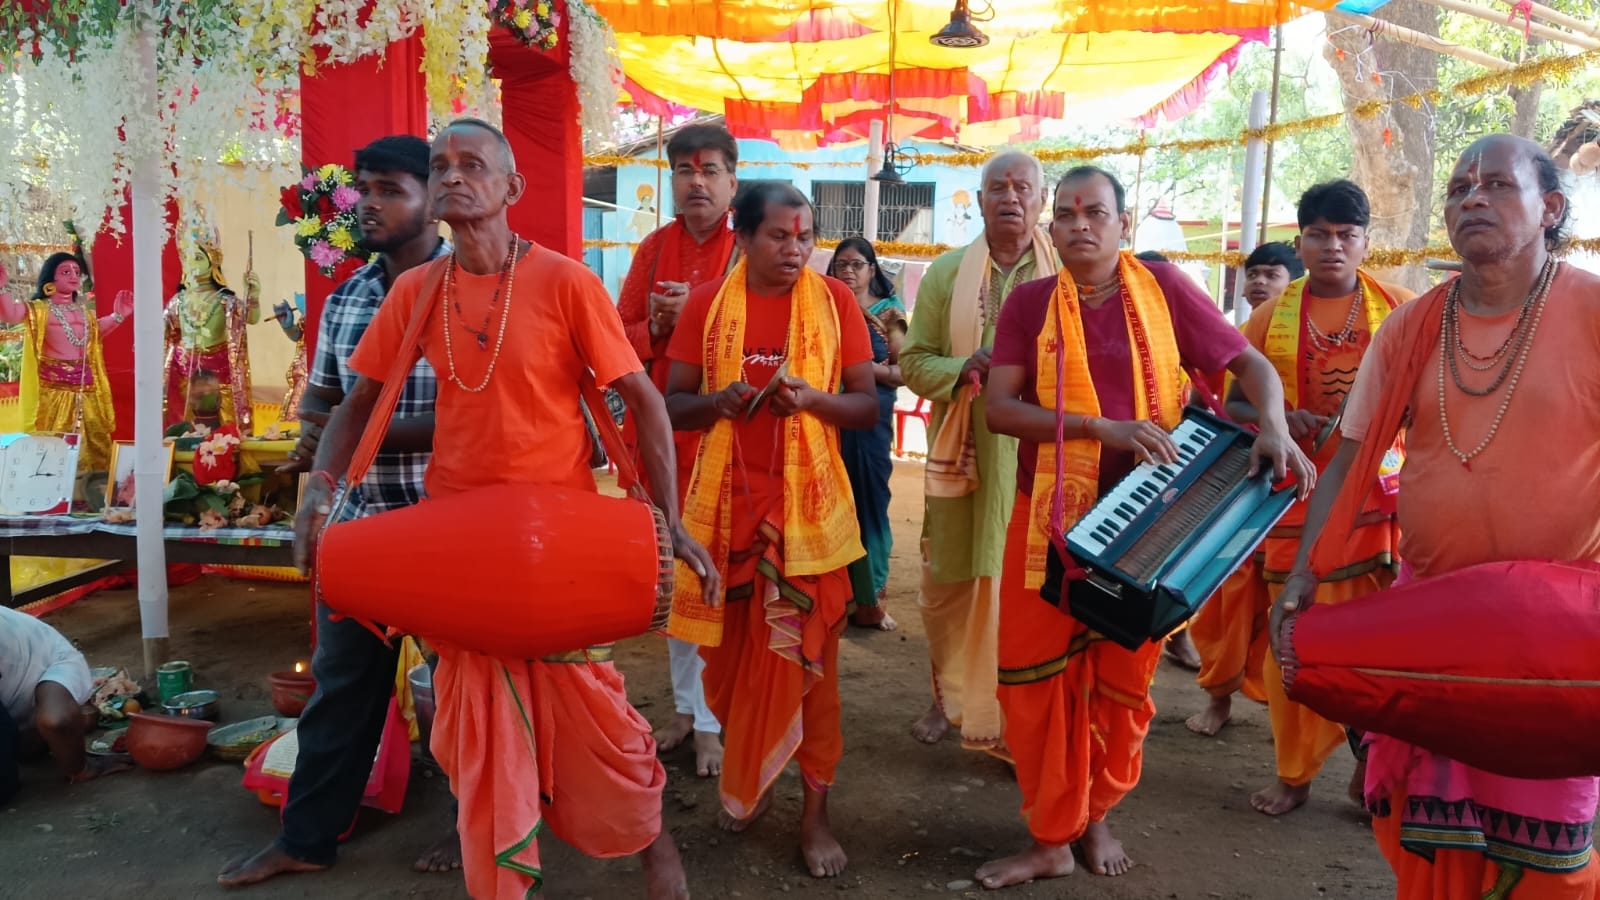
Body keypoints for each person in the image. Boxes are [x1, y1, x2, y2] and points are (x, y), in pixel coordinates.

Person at [285, 119, 715, 900]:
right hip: (459, 541)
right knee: (470, 719)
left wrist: (669, 520)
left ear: (512, 187)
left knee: (595, 713)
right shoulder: (417, 291)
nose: (452, 176)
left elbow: (644, 400)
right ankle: (499, 864)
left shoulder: (565, 281)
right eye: (440, 165)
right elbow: (359, 404)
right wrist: (320, 489)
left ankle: (653, 845)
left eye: (472, 164)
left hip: (558, 542)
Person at [1272, 134, 1600, 899]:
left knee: (1548, 860)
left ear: (1551, 209)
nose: (1472, 198)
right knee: (1422, 840)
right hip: (1431, 621)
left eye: (1497, 185)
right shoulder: (1411, 324)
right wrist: (1304, 572)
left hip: (1553, 637)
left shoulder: (1592, 312)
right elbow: (1350, 459)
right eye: (1457, 189)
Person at [978, 166, 1313, 888]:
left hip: (1152, 519)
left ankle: (1095, 816)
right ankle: (1050, 839)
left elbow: (1251, 365)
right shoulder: (1030, 303)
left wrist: (1275, 426)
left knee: (1120, 682)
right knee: (1034, 682)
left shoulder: (1162, 288)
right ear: (1051, 226)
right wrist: (1099, 428)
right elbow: (999, 409)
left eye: (1095, 212)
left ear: (1123, 224)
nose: (1080, 225)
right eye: (1066, 213)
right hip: (1050, 521)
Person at [217, 135, 461, 888]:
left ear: (432, 199)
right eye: (364, 189)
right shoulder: (350, 296)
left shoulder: (473, 288)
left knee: (466, 690)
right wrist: (315, 441)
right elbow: (324, 397)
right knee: (342, 688)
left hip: (450, 526)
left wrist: (361, 431)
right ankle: (307, 837)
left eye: (390, 189)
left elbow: (480, 418)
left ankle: (477, 824)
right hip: (361, 526)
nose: (369, 205)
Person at [664, 183, 876, 879]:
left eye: (805, 237)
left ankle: (815, 818)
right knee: (728, 670)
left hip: (807, 519)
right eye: (779, 236)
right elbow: (674, 404)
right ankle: (752, 775)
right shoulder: (706, 304)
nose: (795, 249)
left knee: (812, 673)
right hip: (727, 515)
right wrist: (719, 403)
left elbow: (865, 408)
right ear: (744, 237)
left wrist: (811, 400)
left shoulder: (836, 301)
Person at [1225, 180, 1413, 816]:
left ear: (1365, 243)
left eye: (1346, 235)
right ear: (1301, 241)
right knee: (1293, 637)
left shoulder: (1402, 309)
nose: (1333, 246)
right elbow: (1234, 402)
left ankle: (1370, 764)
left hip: (1380, 502)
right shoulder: (1267, 318)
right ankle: (1294, 771)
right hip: (1295, 500)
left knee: (1378, 646)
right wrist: (1278, 420)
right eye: (1319, 234)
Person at [900, 150, 1058, 754]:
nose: (1010, 198)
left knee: (1024, 585)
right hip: (965, 454)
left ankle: (1012, 706)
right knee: (951, 583)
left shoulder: (1064, 273)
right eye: (998, 188)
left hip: (1036, 454)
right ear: (981, 199)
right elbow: (914, 362)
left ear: (1041, 200)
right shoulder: (947, 273)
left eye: (1023, 188)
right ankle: (948, 698)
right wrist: (964, 365)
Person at [615, 122, 740, 780]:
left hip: (726, 437)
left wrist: (698, 314)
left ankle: (714, 720)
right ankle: (690, 712)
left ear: (732, 182)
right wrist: (657, 327)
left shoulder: (747, 248)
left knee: (715, 576)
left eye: (710, 170)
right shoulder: (653, 248)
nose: (697, 182)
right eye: (685, 171)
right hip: (663, 438)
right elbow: (617, 334)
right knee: (672, 575)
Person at [827, 236, 906, 631]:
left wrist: (861, 368)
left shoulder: (888, 312)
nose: (848, 271)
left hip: (870, 419)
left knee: (870, 502)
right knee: (830, 504)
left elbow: (904, 371)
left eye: (856, 264)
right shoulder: (823, 304)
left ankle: (870, 600)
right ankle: (834, 600)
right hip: (826, 415)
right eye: (841, 264)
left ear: (871, 270)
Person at [0, 253, 131, 472]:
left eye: (77, 272)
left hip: (86, 389)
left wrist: (118, 316)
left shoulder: (83, 312)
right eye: (66, 272)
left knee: (96, 443)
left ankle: (93, 485)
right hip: (54, 393)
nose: (73, 276)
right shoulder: (39, 309)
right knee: (54, 445)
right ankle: (54, 488)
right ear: (51, 277)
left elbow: (94, 334)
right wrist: (2, 288)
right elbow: (10, 315)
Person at [0, 606, 129, 801]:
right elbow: (58, 721)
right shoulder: (66, 662)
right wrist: (83, 768)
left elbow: (56, 724)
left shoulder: (40, 655)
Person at [163, 230, 260, 432]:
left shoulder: (224, 301)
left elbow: (251, 318)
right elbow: (164, 330)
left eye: (198, 258)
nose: (192, 263)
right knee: (184, 428)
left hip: (220, 371)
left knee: (227, 427)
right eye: (187, 257)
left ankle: (229, 447)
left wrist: (253, 296)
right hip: (185, 372)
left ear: (213, 261)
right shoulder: (178, 301)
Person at [271, 296, 308, 425]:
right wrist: (287, 326)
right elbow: (299, 336)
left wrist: (312, 314)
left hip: (318, 372)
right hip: (301, 371)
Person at [1240, 241, 1305, 311]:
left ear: (1296, 285)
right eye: (1252, 275)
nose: (1259, 280)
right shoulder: (1252, 318)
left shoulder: (1305, 317)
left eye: (1272, 275)